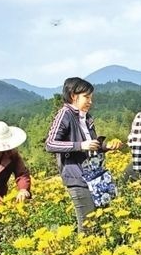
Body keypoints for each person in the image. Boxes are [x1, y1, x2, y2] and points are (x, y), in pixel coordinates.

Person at [46, 77, 122, 232]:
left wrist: (106, 146)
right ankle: (83, 253)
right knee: (88, 225)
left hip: (94, 177)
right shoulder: (65, 114)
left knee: (101, 221)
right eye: (87, 97)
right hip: (77, 178)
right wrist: (80, 145)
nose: (90, 101)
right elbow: (50, 144)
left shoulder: (86, 117)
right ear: (74, 96)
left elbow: (91, 145)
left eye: (91, 98)